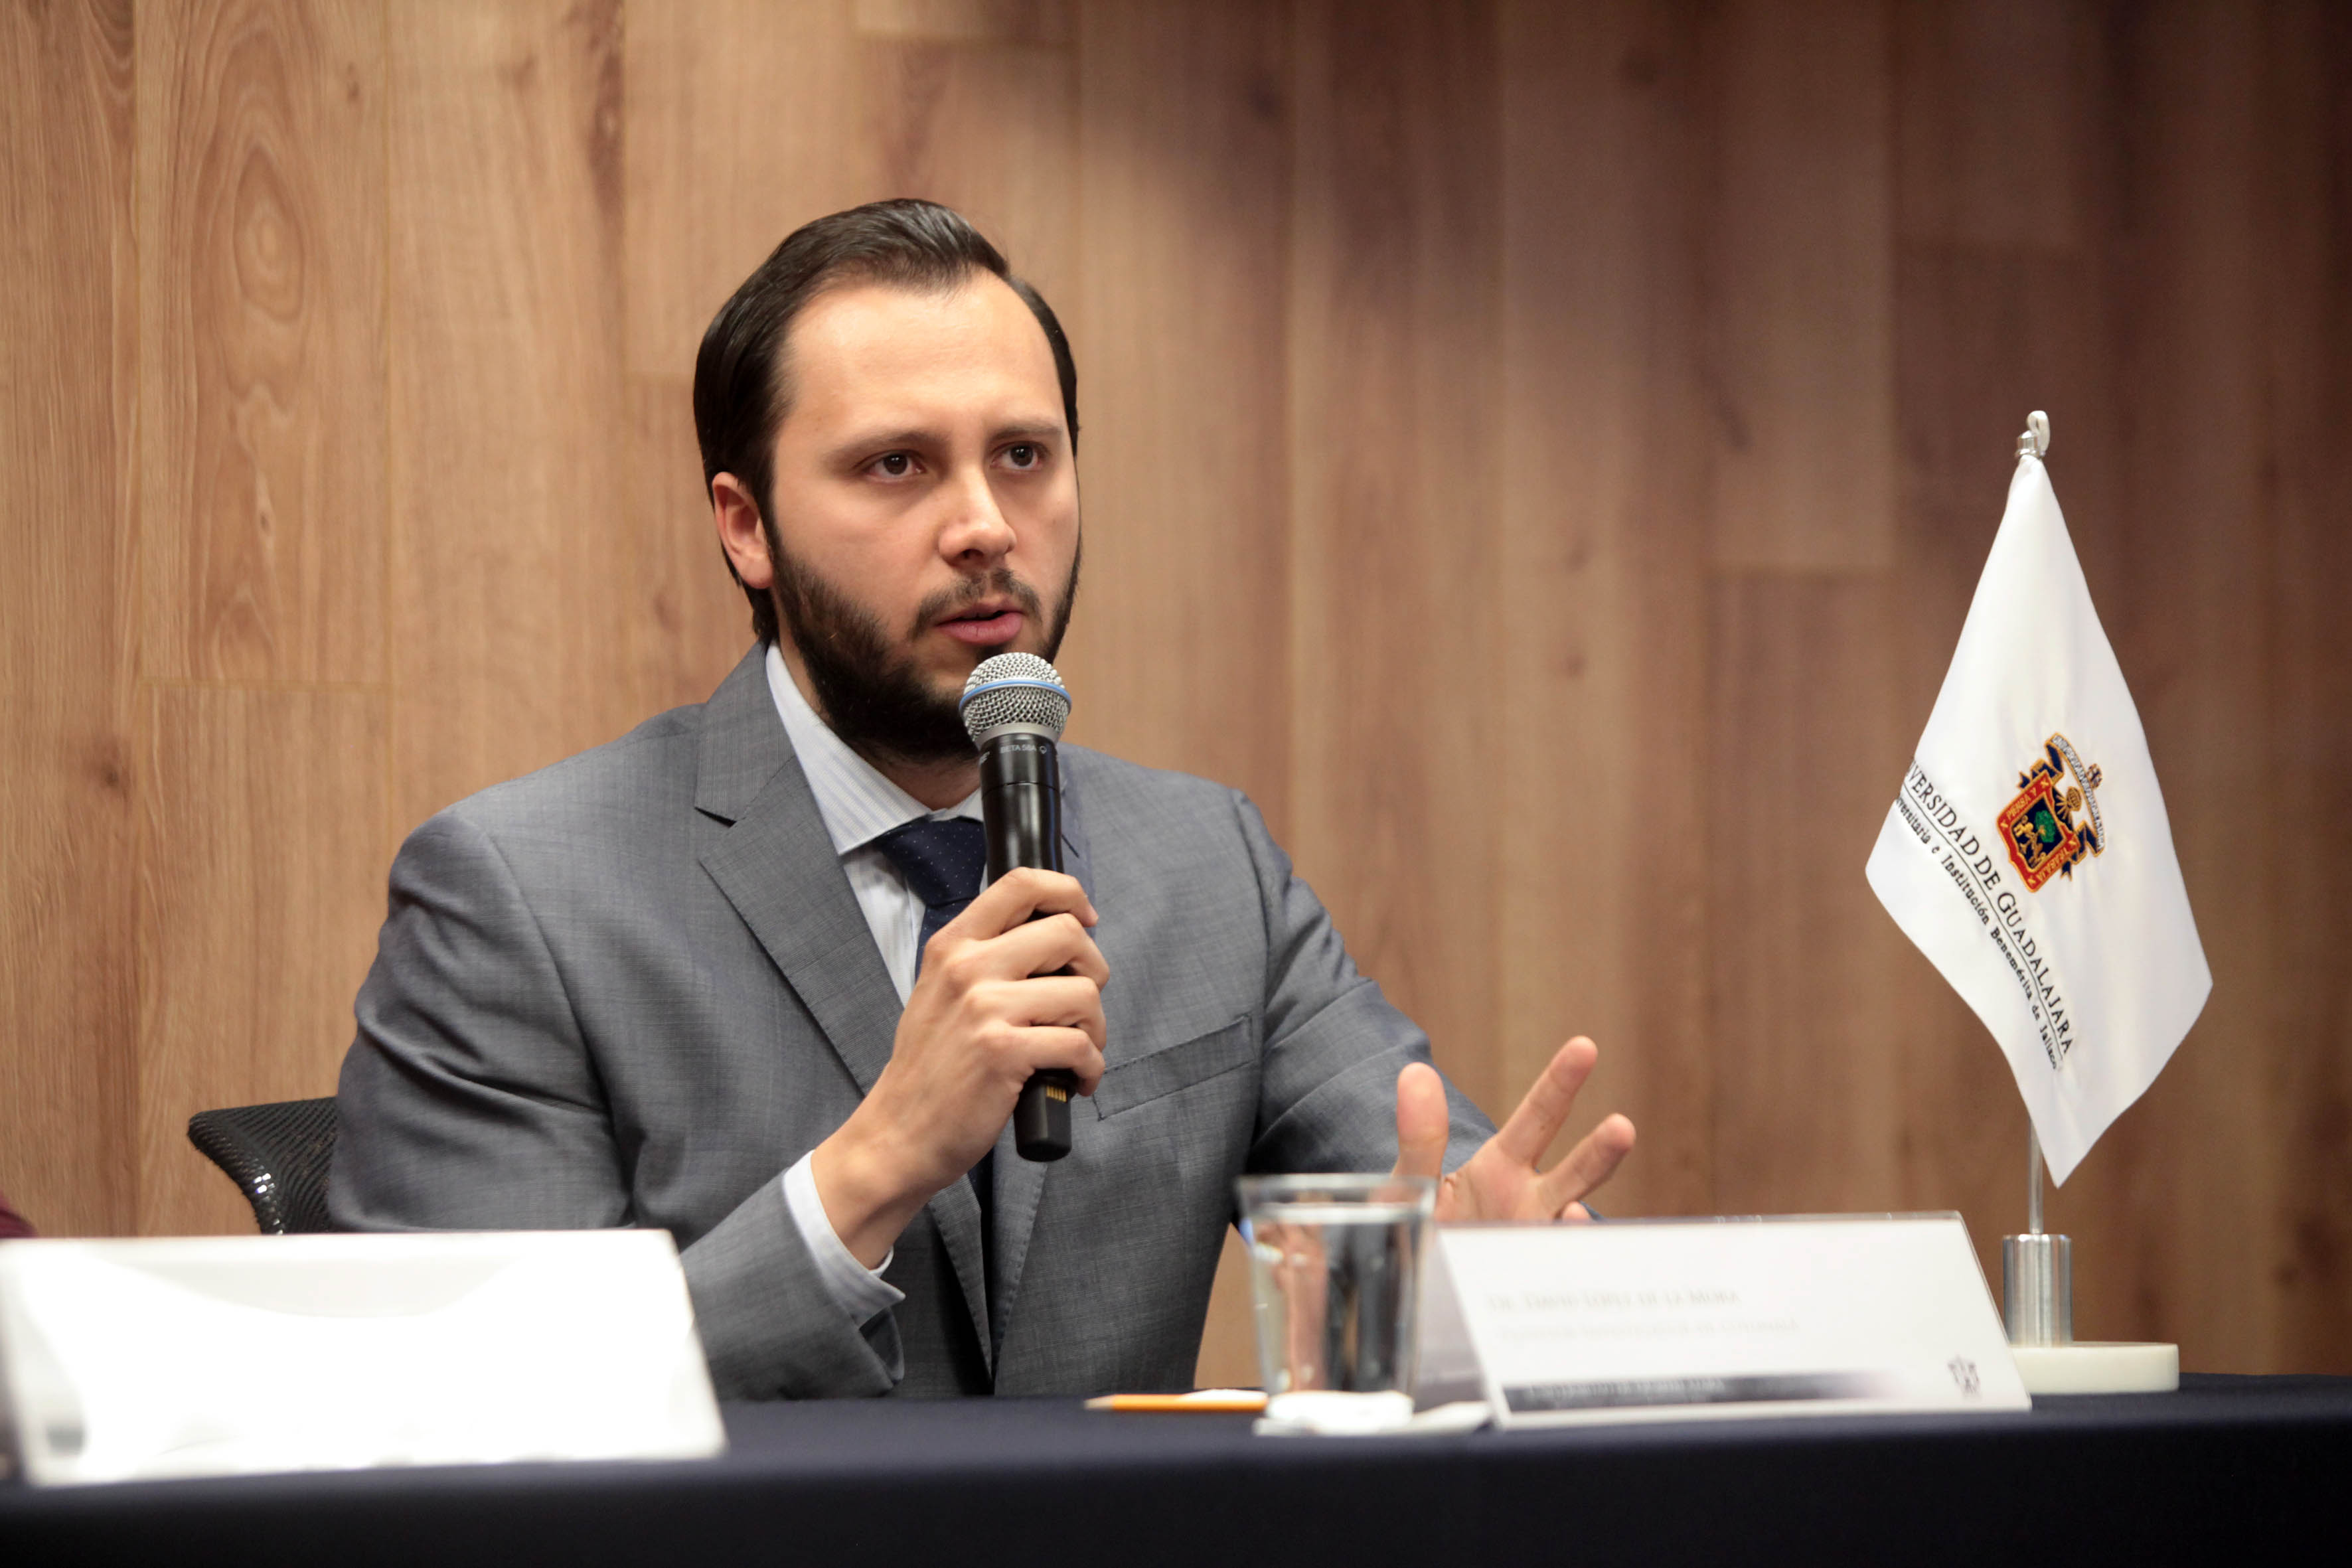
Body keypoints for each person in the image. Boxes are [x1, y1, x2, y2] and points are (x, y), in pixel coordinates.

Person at [331, 200, 1634, 1399]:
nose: (985, 526)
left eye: (1022, 455)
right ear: (746, 525)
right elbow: (460, 1403)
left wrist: (1477, 1291)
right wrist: (871, 1167)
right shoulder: (520, 893)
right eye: (896, 465)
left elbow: (1430, 1203)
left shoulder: (1204, 864)